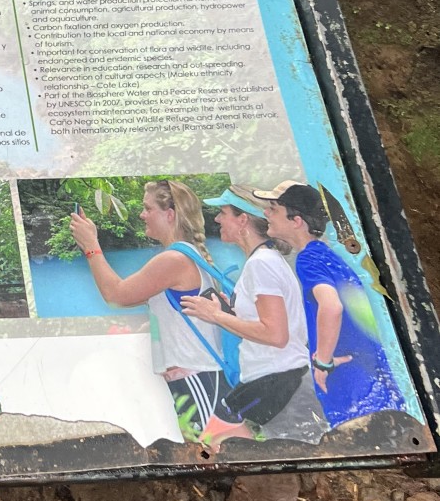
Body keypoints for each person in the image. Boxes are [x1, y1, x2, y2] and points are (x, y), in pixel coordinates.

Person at [68, 180, 233, 440]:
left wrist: (91, 246)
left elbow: (117, 295)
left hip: (197, 377)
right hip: (196, 375)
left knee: (209, 450)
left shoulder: (174, 260)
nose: (142, 214)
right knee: (204, 451)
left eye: (147, 208)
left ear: (169, 215)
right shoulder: (188, 255)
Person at [182, 190, 329, 447]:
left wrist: (215, 315)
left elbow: (275, 335)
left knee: (211, 445)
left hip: (277, 381)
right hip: (280, 379)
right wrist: (231, 313)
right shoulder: (266, 261)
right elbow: (269, 324)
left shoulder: (262, 265)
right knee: (271, 453)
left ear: (243, 221)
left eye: (223, 213)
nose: (216, 219)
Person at [253, 180, 405, 428]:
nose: (265, 213)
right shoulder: (324, 255)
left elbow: (332, 307)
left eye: (273, 208)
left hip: (347, 379)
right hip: (367, 374)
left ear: (296, 221)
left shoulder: (309, 259)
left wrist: (322, 362)